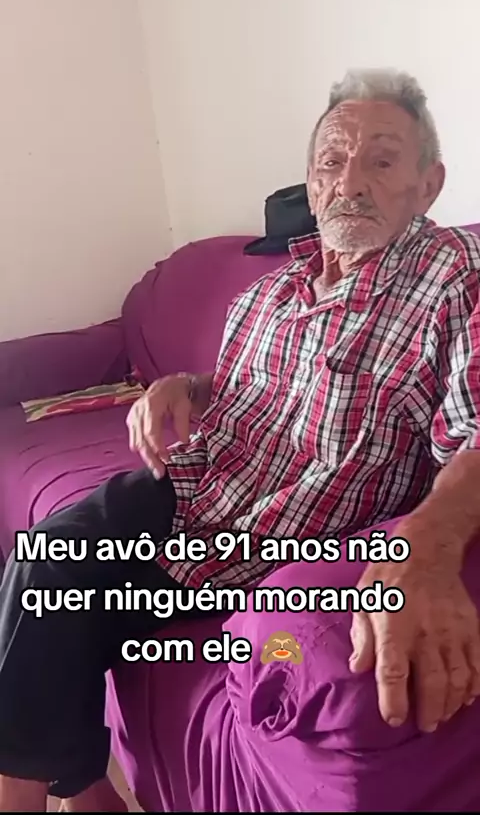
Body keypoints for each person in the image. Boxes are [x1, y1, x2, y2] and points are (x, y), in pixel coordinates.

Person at [1, 67, 480, 812]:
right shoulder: (271, 291)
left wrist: (430, 546)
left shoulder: (455, 276)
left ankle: (59, 796)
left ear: (429, 184)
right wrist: (187, 388)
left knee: (60, 597)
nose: (350, 182)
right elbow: (250, 388)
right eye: (331, 161)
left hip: (276, 531)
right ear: (310, 184)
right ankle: (84, 791)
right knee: (48, 560)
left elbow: (475, 429)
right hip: (197, 484)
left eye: (382, 161)